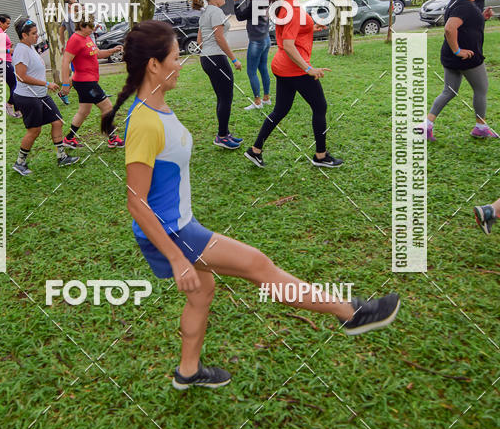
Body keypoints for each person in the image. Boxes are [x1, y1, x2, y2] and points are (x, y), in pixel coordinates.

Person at [100, 21, 400, 389]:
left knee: (203, 293)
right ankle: (350, 313)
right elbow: (135, 202)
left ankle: (188, 372)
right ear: (153, 65)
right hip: (173, 232)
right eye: (177, 57)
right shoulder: (146, 122)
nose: (182, 63)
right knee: (259, 266)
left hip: (176, 226)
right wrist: (178, 258)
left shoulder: (157, 107)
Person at [244, 0, 342, 169]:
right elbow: (289, 44)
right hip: (294, 69)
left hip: (282, 67)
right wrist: (309, 69)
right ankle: (321, 156)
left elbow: (292, 32)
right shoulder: (293, 10)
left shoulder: (286, 6)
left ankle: (255, 150)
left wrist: (312, 28)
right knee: (320, 106)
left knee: (281, 109)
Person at [425, 0, 498, 141]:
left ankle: (426, 126)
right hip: (467, 57)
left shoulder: (456, 1)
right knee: (481, 89)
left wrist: (482, 17)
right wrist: (458, 50)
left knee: (449, 91)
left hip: (450, 56)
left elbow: (465, 23)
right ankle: (480, 127)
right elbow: (450, 28)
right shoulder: (463, 5)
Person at [11, 17, 80, 175]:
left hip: (41, 96)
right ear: (24, 35)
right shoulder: (21, 50)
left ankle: (61, 157)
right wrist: (47, 84)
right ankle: (20, 162)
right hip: (28, 97)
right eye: (34, 33)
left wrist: (45, 85)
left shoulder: (30, 47)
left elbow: (33, 72)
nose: (37, 36)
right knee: (34, 131)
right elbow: (21, 77)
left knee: (57, 122)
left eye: (36, 33)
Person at [60, 18, 125, 150]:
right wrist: (66, 83)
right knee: (107, 107)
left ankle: (68, 139)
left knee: (83, 111)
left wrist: (112, 50)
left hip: (88, 81)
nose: (93, 29)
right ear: (82, 26)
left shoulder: (86, 37)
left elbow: (98, 54)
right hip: (86, 83)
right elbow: (65, 61)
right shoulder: (75, 39)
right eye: (90, 27)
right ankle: (112, 138)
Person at [193, 0, 243, 149]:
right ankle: (222, 136)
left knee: (222, 97)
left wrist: (207, 50)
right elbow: (219, 38)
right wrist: (234, 59)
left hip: (207, 58)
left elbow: (199, 40)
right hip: (216, 58)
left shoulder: (205, 11)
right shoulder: (215, 11)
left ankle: (224, 133)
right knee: (226, 97)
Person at [232, 0, 272, 110]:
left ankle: (257, 102)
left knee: (251, 72)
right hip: (266, 39)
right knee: (263, 68)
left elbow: (240, 16)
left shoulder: (254, 4)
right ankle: (266, 98)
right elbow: (251, 0)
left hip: (256, 42)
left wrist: (236, 0)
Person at [0, 13, 20, 118]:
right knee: (16, 84)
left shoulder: (1, 32)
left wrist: (8, 46)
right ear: (1, 22)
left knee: (13, 84)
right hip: (1, 61)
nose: (8, 25)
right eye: (7, 23)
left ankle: (17, 110)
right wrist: (9, 50)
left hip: (5, 60)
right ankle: (9, 104)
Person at [58, 0, 79, 104]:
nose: (78, 4)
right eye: (76, 2)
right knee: (78, 74)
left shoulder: (67, 16)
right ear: (70, 5)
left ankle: (96, 92)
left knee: (81, 72)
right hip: (77, 48)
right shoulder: (71, 17)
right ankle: (62, 93)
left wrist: (63, 44)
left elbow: (61, 30)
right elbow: (77, 32)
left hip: (73, 48)